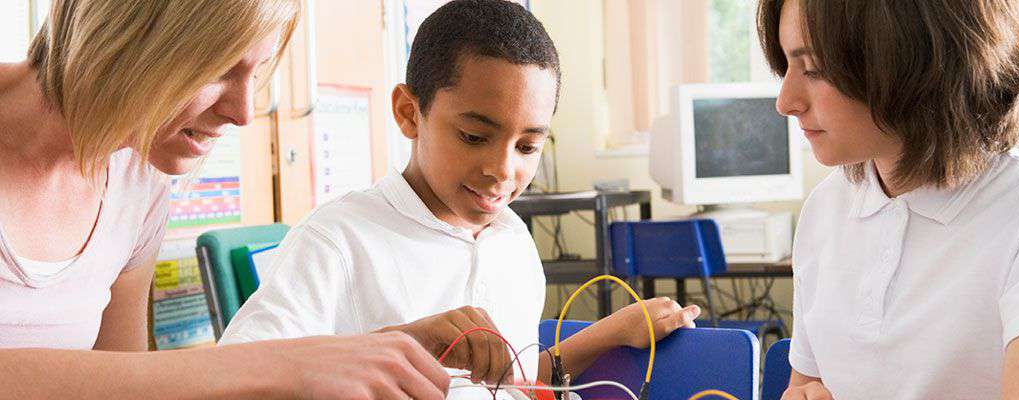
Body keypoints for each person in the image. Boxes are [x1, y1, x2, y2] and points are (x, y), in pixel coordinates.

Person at [220, 0, 702, 395]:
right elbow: (234, 380)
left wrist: (612, 331)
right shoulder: (339, 240)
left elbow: (516, 382)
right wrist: (405, 344)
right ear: (410, 113)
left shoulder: (512, 239)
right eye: (474, 136)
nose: (502, 169)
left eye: (528, 146)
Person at [0, 1, 448, 398]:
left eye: (257, 70)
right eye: (218, 70)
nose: (243, 112)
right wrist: (268, 365)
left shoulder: (138, 179)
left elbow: (125, 380)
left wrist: (357, 352)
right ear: (120, 36)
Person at [756, 0, 1019, 398]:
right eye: (787, 68)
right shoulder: (825, 208)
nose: (786, 102)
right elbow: (808, 386)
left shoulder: (1013, 214)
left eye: (813, 69)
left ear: (915, 62)